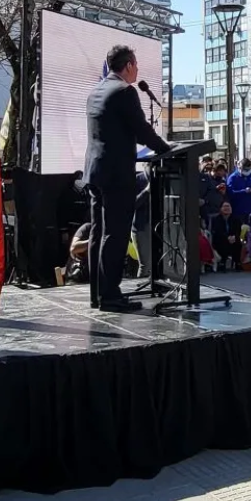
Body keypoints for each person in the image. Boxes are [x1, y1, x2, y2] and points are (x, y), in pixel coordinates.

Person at [84, 45, 172, 312]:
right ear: (130, 65)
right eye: (137, 65)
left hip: (95, 171)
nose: (138, 71)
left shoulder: (96, 91)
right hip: (116, 174)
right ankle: (110, 297)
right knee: (115, 234)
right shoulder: (124, 91)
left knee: (98, 234)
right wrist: (165, 149)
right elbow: (142, 130)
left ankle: (98, 294)